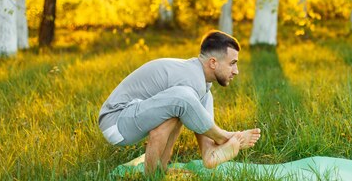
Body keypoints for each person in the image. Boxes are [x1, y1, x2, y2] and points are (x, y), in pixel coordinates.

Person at [98, 30, 261, 173]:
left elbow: (174, 122)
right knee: (183, 98)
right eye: (232, 63)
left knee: (191, 101)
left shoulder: (200, 81)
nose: (236, 71)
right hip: (116, 121)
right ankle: (224, 137)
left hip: (135, 116)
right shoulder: (189, 80)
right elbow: (158, 133)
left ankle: (208, 152)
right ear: (213, 62)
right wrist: (228, 138)